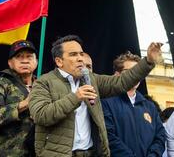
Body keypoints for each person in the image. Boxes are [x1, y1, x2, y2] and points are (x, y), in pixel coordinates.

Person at [28, 35, 162, 157]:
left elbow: (121, 82)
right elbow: (40, 115)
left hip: (91, 153)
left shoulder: (91, 79)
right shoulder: (43, 82)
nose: (80, 58)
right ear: (59, 61)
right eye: (73, 54)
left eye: (81, 53)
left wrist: (148, 61)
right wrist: (76, 97)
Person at [101, 51, 166, 157]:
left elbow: (160, 136)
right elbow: (108, 137)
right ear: (117, 74)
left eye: (138, 72)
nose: (135, 75)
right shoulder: (106, 102)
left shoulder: (149, 106)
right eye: (130, 71)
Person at [0, 40, 38, 157]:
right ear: (10, 63)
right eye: (19, 57)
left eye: (29, 57)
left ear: (36, 61)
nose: (25, 60)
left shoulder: (43, 85)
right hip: (8, 153)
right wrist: (24, 104)